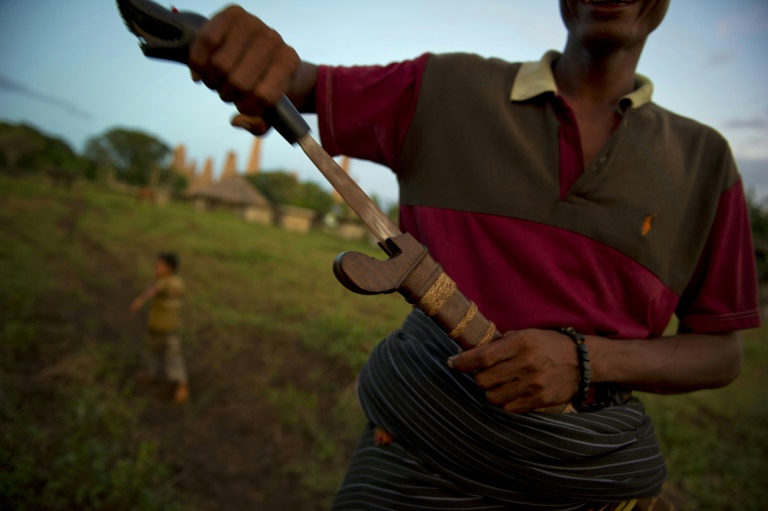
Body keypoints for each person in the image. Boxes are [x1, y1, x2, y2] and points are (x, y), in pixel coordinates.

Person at [186, 1, 759, 508]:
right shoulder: (444, 85)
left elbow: (721, 353)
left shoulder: (705, 161)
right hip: (417, 465)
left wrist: (588, 360)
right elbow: (291, 81)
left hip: (584, 479)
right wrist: (242, 49)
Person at [131, 252, 189, 403]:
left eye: (160, 265)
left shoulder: (165, 282)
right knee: (166, 354)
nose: (156, 268)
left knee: (167, 355)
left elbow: (155, 290)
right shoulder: (178, 282)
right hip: (167, 324)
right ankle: (170, 381)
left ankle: (179, 385)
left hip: (162, 325)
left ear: (170, 268)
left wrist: (140, 300)